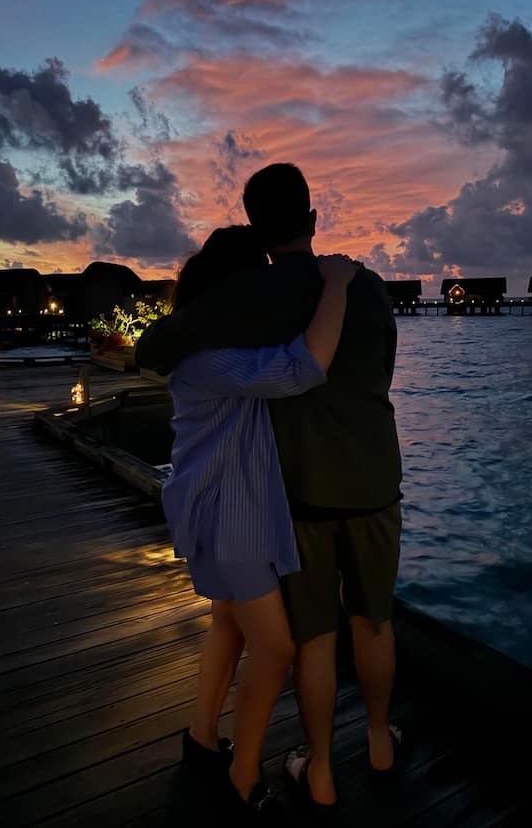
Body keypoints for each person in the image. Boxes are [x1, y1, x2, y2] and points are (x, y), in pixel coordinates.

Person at [138, 164, 403, 812]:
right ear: (312, 220)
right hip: (372, 481)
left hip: (299, 492)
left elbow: (165, 342)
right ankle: (377, 741)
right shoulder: (364, 289)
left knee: (310, 637)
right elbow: (362, 372)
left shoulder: (254, 297)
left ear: (257, 228)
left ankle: (317, 772)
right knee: (373, 621)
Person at [158, 223, 360, 819]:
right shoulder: (214, 358)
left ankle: (200, 740)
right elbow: (306, 367)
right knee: (275, 648)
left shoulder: (205, 346)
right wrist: (339, 285)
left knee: (230, 626)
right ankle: (243, 778)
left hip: (221, 506)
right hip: (228, 516)